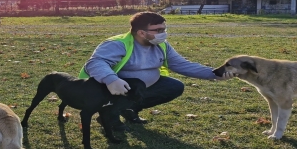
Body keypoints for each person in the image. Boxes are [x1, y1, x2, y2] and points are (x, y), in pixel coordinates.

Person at [79, 11, 234, 131]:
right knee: (134, 86)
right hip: (109, 89)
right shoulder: (118, 44)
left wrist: (214, 74)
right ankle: (109, 114)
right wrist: (111, 79)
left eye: (164, 29)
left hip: (139, 88)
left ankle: (128, 108)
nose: (163, 33)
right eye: (158, 30)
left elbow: (182, 65)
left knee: (174, 86)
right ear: (141, 32)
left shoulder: (162, 45)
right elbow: (95, 63)